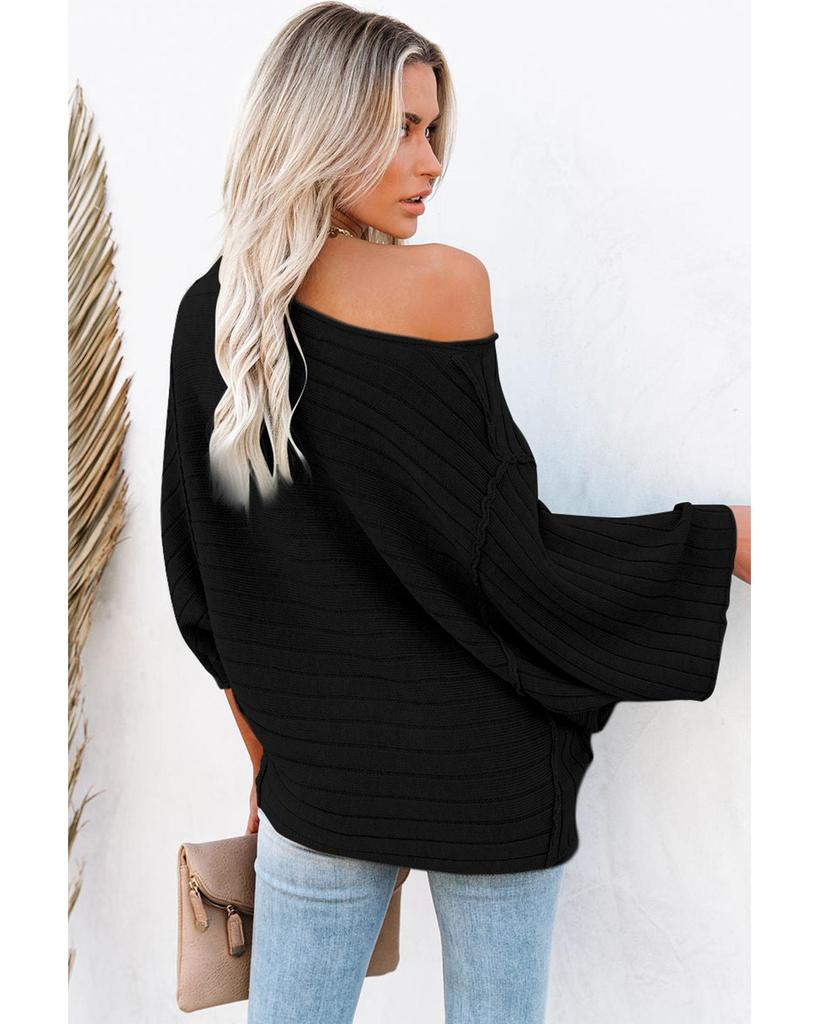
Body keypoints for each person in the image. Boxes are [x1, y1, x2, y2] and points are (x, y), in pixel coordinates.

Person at [159, 4, 751, 1022]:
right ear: (319, 126)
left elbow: (209, 589)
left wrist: (275, 758)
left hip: (322, 778)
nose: (430, 161)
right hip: (488, 774)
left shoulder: (215, 315)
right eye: (401, 128)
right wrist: (718, 539)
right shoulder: (445, 284)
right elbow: (510, 562)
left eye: (432, 129)